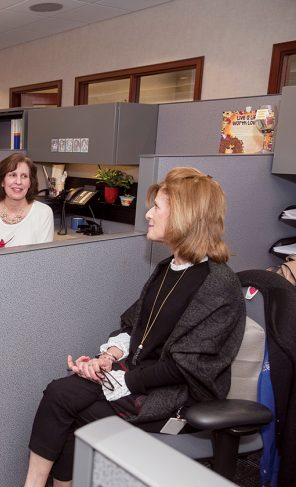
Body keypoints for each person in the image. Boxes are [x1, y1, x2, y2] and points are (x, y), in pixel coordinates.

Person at [23, 167, 246, 487]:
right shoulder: (167, 268)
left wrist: (123, 378)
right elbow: (136, 325)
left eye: (157, 207)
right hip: (139, 378)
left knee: (77, 412)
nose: (149, 214)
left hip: (177, 398)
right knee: (60, 393)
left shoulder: (218, 285)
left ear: (183, 216)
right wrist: (108, 357)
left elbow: (187, 367)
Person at [0, 153, 54, 250]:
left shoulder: (43, 213)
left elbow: (44, 260)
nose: (18, 182)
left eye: (24, 176)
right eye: (13, 175)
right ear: (2, 181)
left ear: (30, 183)